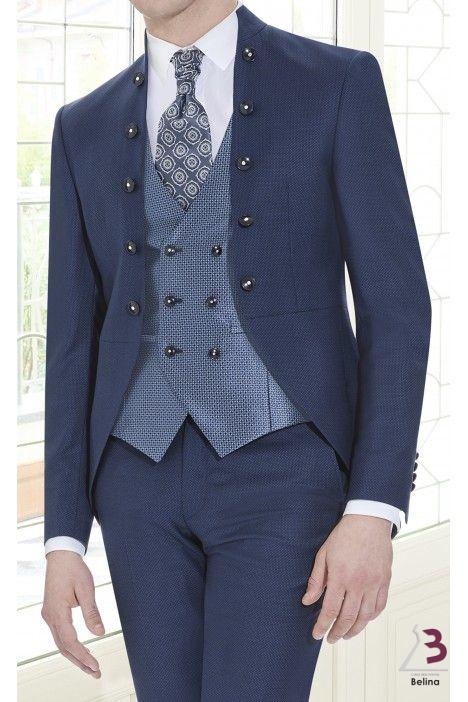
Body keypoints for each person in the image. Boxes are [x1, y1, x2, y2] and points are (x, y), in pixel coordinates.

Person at [41, 1, 431, 700]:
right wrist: (63, 538)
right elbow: (71, 341)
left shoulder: (336, 84)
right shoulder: (83, 126)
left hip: (283, 478)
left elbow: (396, 307)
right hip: (136, 486)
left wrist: (374, 506)